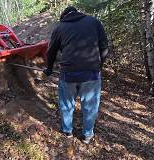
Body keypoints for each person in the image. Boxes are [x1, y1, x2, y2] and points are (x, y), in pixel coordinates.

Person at [43, 6, 108, 144]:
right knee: (90, 106)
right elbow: (104, 48)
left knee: (66, 104)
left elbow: (51, 52)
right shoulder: (94, 22)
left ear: (64, 16)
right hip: (91, 74)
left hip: (68, 74)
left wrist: (48, 69)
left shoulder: (60, 28)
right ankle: (87, 135)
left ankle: (67, 131)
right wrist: (98, 66)